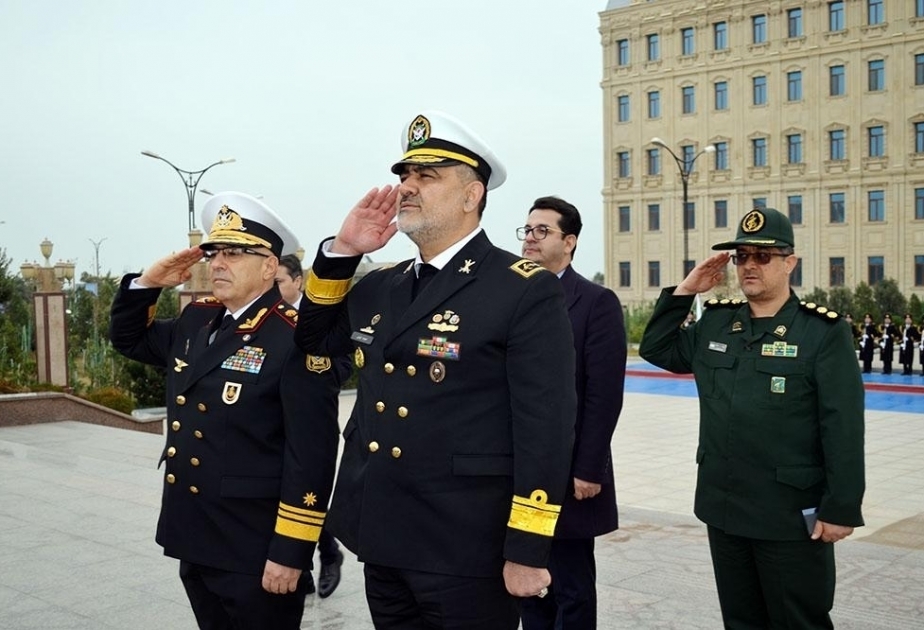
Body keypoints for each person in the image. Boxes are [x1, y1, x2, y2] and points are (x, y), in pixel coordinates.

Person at [294, 110, 576, 628]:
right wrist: (342, 253)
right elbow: (312, 339)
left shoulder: (523, 287)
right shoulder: (383, 283)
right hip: (381, 532)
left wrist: (529, 547)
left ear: (472, 196)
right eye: (405, 176)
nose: (407, 187)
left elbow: (546, 427)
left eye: (427, 176)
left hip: (465, 545)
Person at [110, 192, 344, 629]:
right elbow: (129, 339)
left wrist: (290, 551)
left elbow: (310, 456)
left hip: (254, 546)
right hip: (195, 534)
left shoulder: (294, 339)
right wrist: (148, 283)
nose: (218, 262)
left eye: (235, 253)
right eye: (215, 252)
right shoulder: (197, 320)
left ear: (269, 266)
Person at [639, 206, 865, 629]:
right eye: (742, 256)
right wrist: (687, 289)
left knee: (798, 621)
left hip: (788, 514)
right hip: (725, 507)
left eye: (763, 256)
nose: (749, 265)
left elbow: (843, 425)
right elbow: (657, 349)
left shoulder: (821, 332)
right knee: (742, 621)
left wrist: (842, 506)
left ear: (789, 263)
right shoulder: (719, 324)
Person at [517, 196, 626, 629]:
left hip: (567, 476)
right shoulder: (513, 297)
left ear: (570, 242)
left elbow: (603, 394)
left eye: (542, 230)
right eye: (527, 230)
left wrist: (589, 469)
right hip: (520, 473)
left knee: (571, 588)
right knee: (526, 582)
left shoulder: (595, 302)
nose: (530, 238)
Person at [275, 253, 345, 598]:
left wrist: (320, 375)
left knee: (307, 493)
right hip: (273, 421)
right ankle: (304, 565)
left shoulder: (321, 313)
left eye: (279, 283)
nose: (274, 289)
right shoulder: (268, 319)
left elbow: (345, 359)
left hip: (311, 416)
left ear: (297, 282)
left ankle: (328, 555)